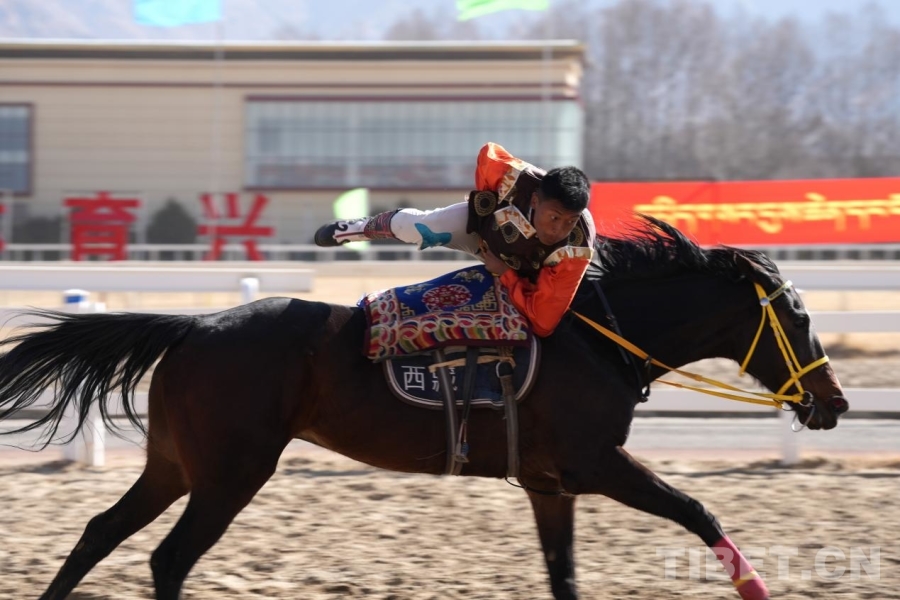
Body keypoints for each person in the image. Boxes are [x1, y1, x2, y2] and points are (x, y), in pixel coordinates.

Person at [314, 142, 596, 337]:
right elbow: (488, 154)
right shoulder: (517, 177)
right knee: (422, 228)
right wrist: (484, 202)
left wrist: (506, 274)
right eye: (554, 217)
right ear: (535, 200)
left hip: (520, 273)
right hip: (482, 232)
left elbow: (544, 323)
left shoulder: (577, 248)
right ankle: (359, 228)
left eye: (569, 221)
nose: (558, 230)